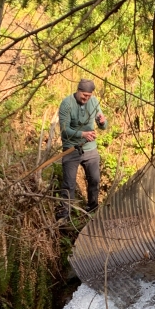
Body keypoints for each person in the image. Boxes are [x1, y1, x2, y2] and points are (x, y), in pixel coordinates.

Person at [58, 78, 108, 219]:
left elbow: (103, 125)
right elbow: (63, 130)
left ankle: (92, 207)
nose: (86, 98)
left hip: (90, 149)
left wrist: (103, 122)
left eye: (89, 96)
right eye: (84, 95)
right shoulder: (67, 104)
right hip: (71, 149)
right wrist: (82, 134)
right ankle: (64, 214)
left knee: (95, 180)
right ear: (78, 91)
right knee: (69, 184)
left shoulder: (93, 102)